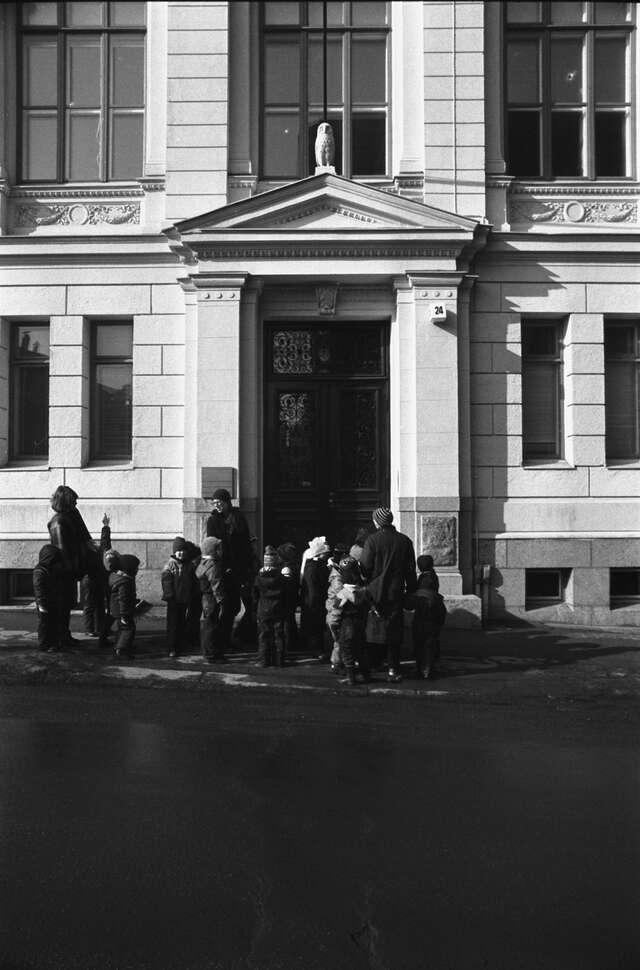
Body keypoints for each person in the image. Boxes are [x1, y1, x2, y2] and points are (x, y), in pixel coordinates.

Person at [360, 507, 417, 683]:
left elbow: (365, 567)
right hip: (395, 591)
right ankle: (393, 667)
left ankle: (374, 663)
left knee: (373, 630)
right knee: (394, 631)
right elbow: (410, 570)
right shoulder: (404, 541)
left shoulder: (372, 540)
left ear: (377, 522)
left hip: (375, 593)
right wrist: (411, 591)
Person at [47, 485, 101, 647]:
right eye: (74, 501)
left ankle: (65, 635)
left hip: (72, 569)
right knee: (63, 605)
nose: (76, 505)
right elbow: (63, 552)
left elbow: (84, 536)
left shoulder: (71, 516)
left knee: (68, 604)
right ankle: (61, 637)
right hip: (64, 571)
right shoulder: (58, 522)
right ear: (66, 502)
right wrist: (74, 570)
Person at [205, 488, 252, 647]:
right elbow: (212, 544)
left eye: (220, 502)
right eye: (215, 503)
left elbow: (244, 541)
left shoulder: (238, 517)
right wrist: (222, 564)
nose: (217, 505)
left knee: (235, 605)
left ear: (227, 502)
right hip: (221, 567)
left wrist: (245, 563)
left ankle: (229, 636)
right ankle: (221, 640)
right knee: (224, 605)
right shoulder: (212, 520)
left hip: (238, 567)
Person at [331, 555, 370, 687]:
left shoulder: (342, 593)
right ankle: (365, 675)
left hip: (346, 624)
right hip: (361, 624)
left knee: (347, 650)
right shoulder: (364, 591)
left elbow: (335, 613)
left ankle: (351, 678)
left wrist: (334, 626)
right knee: (361, 650)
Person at [405, 572, 447, 679]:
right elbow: (442, 612)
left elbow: (408, 606)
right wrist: (439, 624)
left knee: (418, 647)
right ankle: (428, 669)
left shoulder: (417, 595)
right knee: (429, 648)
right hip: (432, 625)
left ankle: (419, 669)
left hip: (418, 624)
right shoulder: (437, 597)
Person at [161, 536, 196, 659]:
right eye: (178, 550)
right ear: (174, 551)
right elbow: (166, 582)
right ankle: (171, 647)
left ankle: (180, 645)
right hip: (174, 600)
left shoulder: (189, 565)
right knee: (173, 625)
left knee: (182, 623)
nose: (181, 553)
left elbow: (192, 581)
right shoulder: (170, 565)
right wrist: (169, 595)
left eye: (183, 550)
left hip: (184, 599)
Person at [195, 536, 229, 663]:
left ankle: (208, 652)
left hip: (206, 598)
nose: (221, 550)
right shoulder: (213, 566)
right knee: (212, 626)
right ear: (213, 550)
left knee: (207, 625)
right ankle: (212, 655)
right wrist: (221, 600)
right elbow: (216, 584)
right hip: (212, 598)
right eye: (219, 548)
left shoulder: (202, 563)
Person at [253, 545, 287, 667]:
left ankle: (264, 660)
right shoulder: (281, 578)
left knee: (264, 634)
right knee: (279, 634)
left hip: (263, 608)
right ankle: (279, 660)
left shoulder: (258, 578)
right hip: (278, 607)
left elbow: (255, 595)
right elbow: (285, 593)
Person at [79, 513, 112, 638]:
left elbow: (105, 541)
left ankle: (96, 628)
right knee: (93, 605)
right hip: (93, 579)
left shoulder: (90, 552)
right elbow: (105, 542)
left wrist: (106, 527)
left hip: (91, 579)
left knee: (95, 605)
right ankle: (93, 628)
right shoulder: (95, 552)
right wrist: (106, 527)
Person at [300, 536, 330, 660]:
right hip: (314, 602)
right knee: (315, 626)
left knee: (316, 626)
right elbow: (312, 588)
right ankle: (316, 649)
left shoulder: (316, 565)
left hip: (316, 600)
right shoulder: (312, 568)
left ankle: (317, 648)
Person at [32, 544, 64, 653]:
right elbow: (39, 589)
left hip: (53, 600)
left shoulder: (50, 568)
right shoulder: (39, 571)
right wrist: (41, 604)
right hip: (44, 602)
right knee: (45, 624)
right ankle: (44, 645)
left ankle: (53, 643)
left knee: (53, 622)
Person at [109, 554, 140, 659]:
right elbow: (123, 599)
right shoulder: (125, 582)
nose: (137, 570)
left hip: (117, 609)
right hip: (123, 611)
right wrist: (124, 615)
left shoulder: (117, 578)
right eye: (136, 568)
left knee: (121, 628)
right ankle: (122, 650)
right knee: (128, 629)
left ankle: (118, 646)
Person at [277, 541, 300, 657]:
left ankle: (288, 645)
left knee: (286, 620)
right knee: (289, 619)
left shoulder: (286, 567)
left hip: (287, 597)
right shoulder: (293, 565)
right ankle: (293, 642)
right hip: (292, 596)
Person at [184, 540, 203, 652]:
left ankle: (191, 637)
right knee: (193, 616)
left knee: (192, 616)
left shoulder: (191, 564)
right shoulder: (195, 563)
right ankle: (192, 638)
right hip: (195, 592)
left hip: (193, 592)